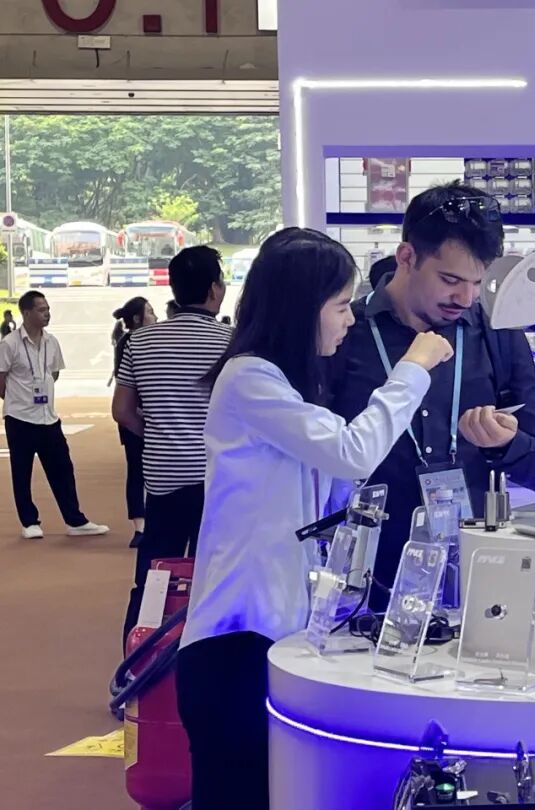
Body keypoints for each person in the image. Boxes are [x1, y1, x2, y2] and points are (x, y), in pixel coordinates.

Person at [177, 228, 453, 807]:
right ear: (301, 309)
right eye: (339, 306)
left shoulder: (284, 386)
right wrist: (412, 369)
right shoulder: (249, 379)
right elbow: (351, 451)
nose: (350, 319)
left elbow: (339, 475)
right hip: (234, 647)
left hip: (272, 640)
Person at [328, 182, 535, 597]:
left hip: (472, 578)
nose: (465, 297)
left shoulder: (497, 335)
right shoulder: (345, 334)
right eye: (450, 279)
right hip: (364, 580)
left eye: (477, 282)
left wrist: (505, 444)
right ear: (407, 257)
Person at [113, 247, 232, 644]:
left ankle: (138, 660)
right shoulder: (232, 342)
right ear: (214, 289)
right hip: (217, 479)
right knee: (211, 575)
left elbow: (122, 411)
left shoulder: (139, 341)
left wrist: (159, 434)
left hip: (163, 480)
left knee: (153, 573)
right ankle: (199, 655)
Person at [0, 291, 109, 539]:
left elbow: (54, 374)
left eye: (48, 309)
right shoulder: (9, 344)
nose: (47, 314)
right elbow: (1, 378)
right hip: (20, 418)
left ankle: (75, 520)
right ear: (26, 313)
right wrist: (17, 399)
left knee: (63, 469)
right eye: (41, 310)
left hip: (48, 417)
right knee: (22, 471)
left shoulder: (52, 342)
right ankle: (29, 522)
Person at [109, 297, 157, 547]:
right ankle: (140, 525)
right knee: (137, 469)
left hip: (148, 415)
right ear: (137, 318)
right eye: (150, 312)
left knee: (147, 469)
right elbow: (126, 382)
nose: (155, 317)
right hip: (134, 415)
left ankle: (149, 523)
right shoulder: (129, 343)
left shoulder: (152, 341)